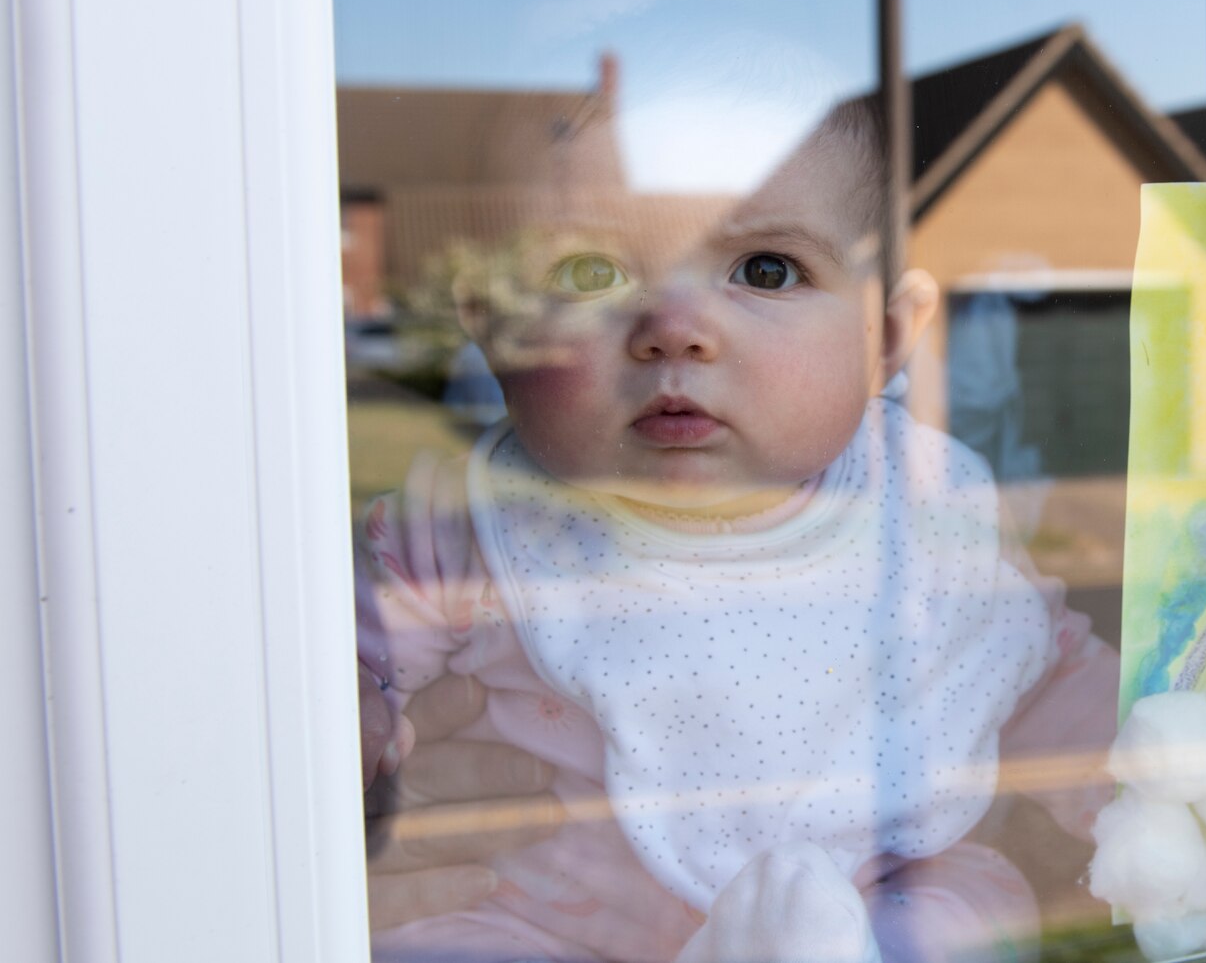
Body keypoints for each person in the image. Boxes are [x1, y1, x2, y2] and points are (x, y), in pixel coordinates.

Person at [356, 94, 1117, 963]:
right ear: (494, 333)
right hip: (540, 918)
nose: (674, 329)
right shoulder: (468, 525)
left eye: (764, 270)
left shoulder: (922, 501)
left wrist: (1158, 775)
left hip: (869, 885)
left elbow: (1037, 668)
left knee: (964, 907)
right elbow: (342, 660)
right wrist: (358, 725)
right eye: (588, 274)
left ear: (888, 335)